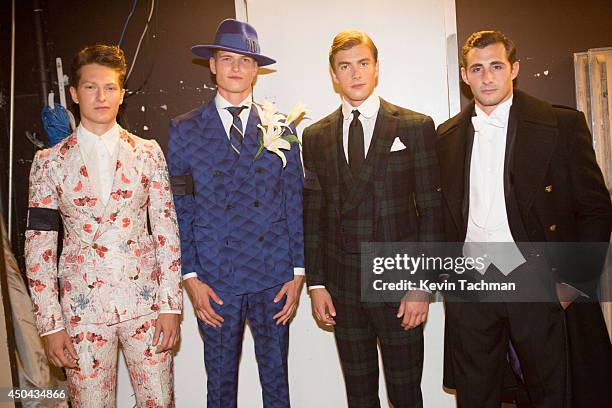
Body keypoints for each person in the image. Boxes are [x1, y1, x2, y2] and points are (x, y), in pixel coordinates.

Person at [436, 30, 612, 407]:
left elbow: (596, 208)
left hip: (536, 281)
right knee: (475, 393)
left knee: (549, 392)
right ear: (465, 76)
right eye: (477, 68)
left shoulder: (560, 125)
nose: (487, 77)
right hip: (471, 283)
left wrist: (572, 283)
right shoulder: (446, 136)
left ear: (513, 69)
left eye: (496, 66)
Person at [24, 44, 182, 407]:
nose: (101, 96)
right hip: (81, 313)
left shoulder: (148, 152)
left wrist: (170, 306)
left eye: (110, 87)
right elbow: (38, 247)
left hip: (146, 306)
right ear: (75, 94)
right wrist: (51, 324)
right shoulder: (48, 162)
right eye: (92, 87)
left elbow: (166, 230)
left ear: (122, 94)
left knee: (159, 401)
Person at [302, 29, 443, 407]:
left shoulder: (414, 126)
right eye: (345, 66)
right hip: (341, 285)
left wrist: (421, 286)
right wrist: (316, 284)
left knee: (405, 393)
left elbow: (431, 212)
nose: (355, 74)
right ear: (333, 74)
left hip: (400, 281)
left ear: (376, 68)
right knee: (359, 395)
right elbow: (313, 214)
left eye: (363, 63)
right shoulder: (315, 136)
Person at [167, 19, 304, 408]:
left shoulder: (281, 127)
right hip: (216, 279)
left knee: (277, 383)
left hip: (273, 275)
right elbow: (182, 208)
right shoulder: (184, 129)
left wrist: (298, 273)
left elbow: (293, 200)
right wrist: (190, 277)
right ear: (212, 65)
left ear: (256, 69)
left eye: (245, 61)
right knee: (220, 385)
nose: (236, 68)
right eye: (227, 59)